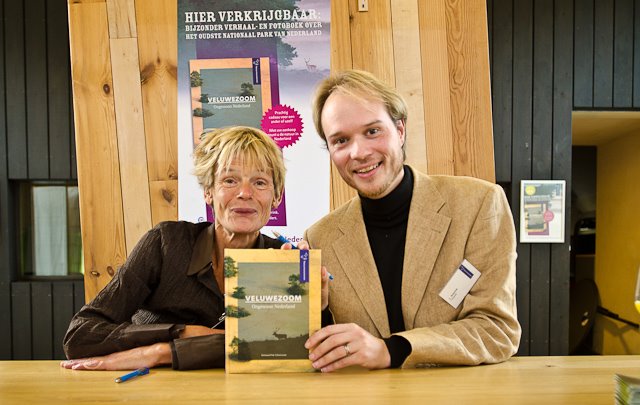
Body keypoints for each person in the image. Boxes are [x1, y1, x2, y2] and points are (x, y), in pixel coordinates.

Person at [303, 70, 521, 372]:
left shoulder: (479, 204)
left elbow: (496, 330)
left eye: (372, 131)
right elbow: (322, 354)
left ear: (400, 130)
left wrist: (392, 350)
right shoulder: (319, 238)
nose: (359, 152)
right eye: (341, 140)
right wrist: (317, 310)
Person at [61, 126, 306, 371]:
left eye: (260, 182)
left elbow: (289, 350)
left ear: (276, 197)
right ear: (208, 192)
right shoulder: (165, 243)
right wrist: (182, 331)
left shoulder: (284, 261)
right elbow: (81, 336)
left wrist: (162, 351)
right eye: (230, 180)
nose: (244, 193)